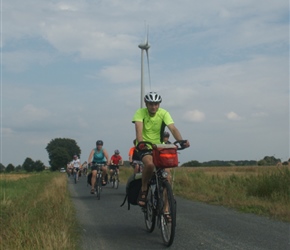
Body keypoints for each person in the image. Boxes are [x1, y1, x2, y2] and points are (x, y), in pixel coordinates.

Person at [132, 91, 190, 207]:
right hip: (145, 146)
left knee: (167, 177)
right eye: (151, 104)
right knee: (149, 165)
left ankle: (167, 209)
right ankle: (144, 190)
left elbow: (172, 128)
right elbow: (138, 128)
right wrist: (141, 142)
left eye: (156, 104)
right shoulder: (140, 112)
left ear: (159, 104)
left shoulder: (164, 113)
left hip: (159, 147)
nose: (154, 107)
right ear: (146, 103)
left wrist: (181, 141)